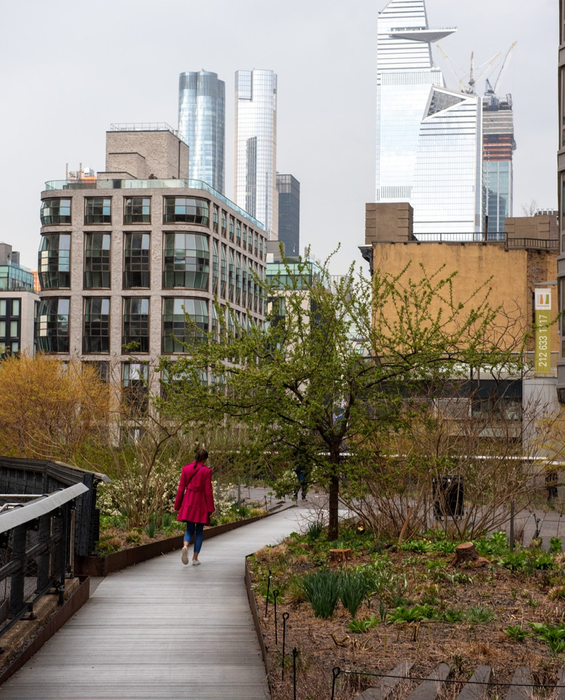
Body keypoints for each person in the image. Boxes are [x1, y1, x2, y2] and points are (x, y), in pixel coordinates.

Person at [174, 447, 215, 566]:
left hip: (188, 501)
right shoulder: (206, 471)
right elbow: (208, 491)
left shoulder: (186, 469)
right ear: (205, 459)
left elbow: (181, 489)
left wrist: (177, 505)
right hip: (201, 503)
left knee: (189, 529)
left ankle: (185, 546)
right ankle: (195, 558)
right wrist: (211, 509)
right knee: (199, 532)